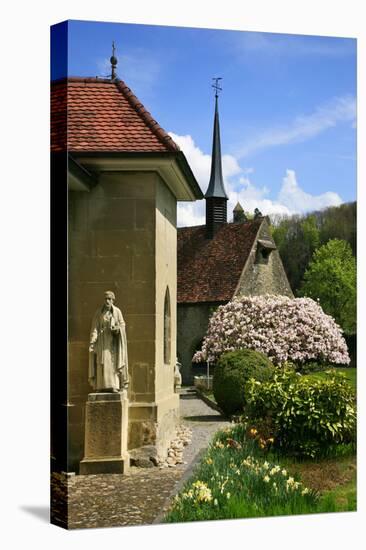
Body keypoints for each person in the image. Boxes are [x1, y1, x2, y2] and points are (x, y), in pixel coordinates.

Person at [88, 291, 129, 392]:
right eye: (106, 299)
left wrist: (117, 329)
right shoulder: (99, 312)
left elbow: (122, 324)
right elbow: (95, 328)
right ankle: (100, 386)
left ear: (113, 300)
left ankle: (113, 386)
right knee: (100, 363)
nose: (107, 301)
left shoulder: (117, 312)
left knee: (111, 364)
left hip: (112, 343)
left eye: (109, 299)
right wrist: (92, 342)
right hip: (101, 342)